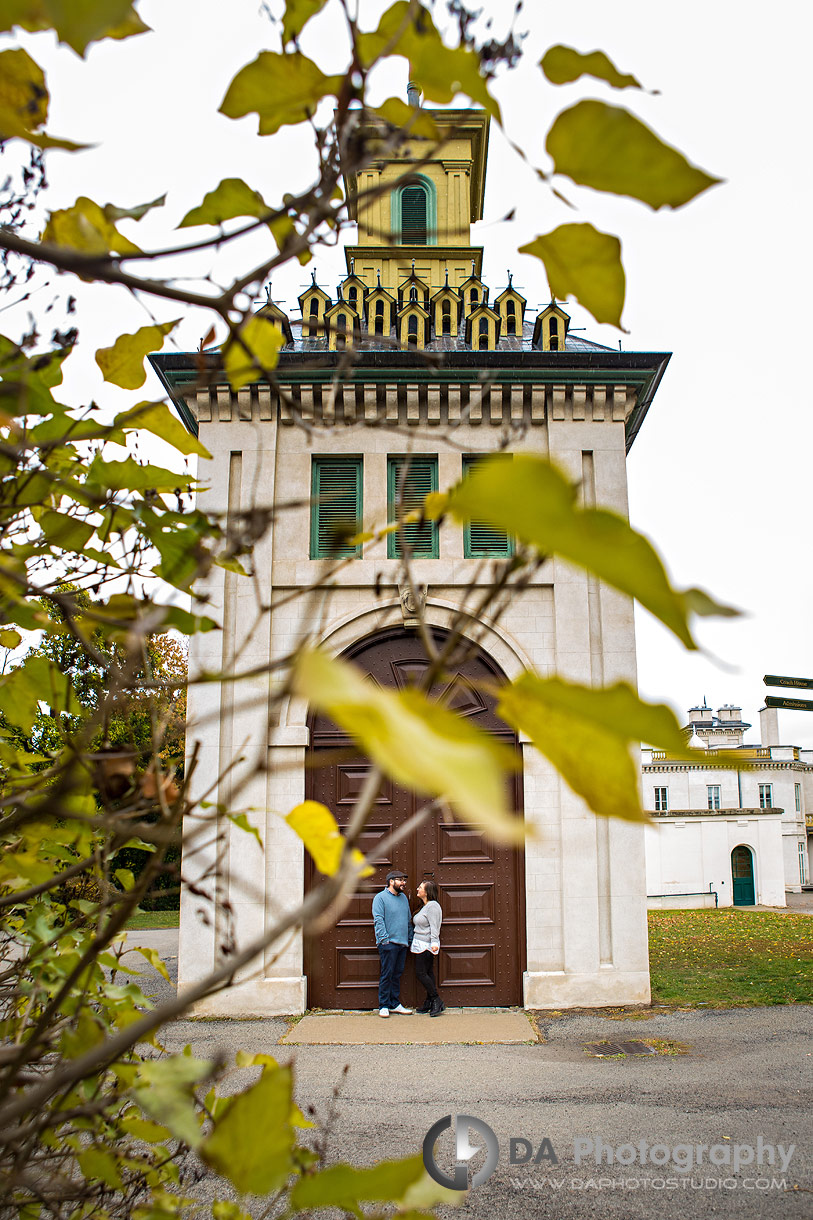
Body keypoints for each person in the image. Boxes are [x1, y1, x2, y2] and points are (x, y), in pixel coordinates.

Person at [371, 870, 413, 1018]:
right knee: (387, 974)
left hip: (402, 944)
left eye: (404, 880)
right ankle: (383, 1005)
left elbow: (408, 919)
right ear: (391, 881)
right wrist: (384, 941)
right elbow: (378, 920)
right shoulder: (380, 898)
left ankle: (394, 1004)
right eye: (400, 880)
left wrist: (409, 939)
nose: (404, 883)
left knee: (397, 974)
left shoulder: (403, 898)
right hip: (388, 944)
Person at [411, 879, 444, 1017]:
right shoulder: (425, 906)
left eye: (420, 887)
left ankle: (436, 999)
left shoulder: (433, 907)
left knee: (421, 973)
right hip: (419, 943)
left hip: (426, 945)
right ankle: (429, 1001)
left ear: (427, 892)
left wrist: (435, 943)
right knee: (428, 972)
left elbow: (435, 926)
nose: (418, 889)